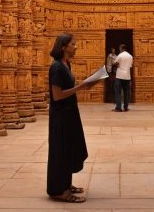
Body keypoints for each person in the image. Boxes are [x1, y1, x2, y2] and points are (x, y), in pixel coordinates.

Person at [47, 33, 100, 203]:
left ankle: (65, 184)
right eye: (73, 44)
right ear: (63, 47)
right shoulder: (56, 67)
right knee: (60, 150)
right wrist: (81, 87)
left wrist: (86, 84)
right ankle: (57, 190)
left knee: (68, 148)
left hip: (69, 112)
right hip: (60, 114)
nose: (76, 46)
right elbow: (57, 95)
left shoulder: (65, 64)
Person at [113, 44, 133, 112]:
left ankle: (118, 107)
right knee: (126, 92)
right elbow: (130, 66)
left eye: (119, 48)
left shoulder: (120, 55)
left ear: (121, 48)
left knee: (118, 92)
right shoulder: (130, 56)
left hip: (119, 76)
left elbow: (116, 63)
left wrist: (118, 66)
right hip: (127, 76)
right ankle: (126, 107)